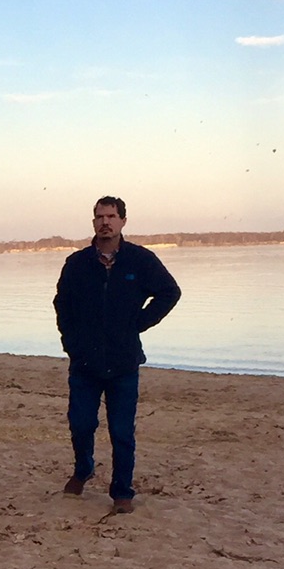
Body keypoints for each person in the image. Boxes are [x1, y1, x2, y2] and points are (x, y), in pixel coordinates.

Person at [53, 196, 180, 514]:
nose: (105, 222)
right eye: (99, 217)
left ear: (123, 221)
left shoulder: (140, 260)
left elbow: (169, 292)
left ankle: (122, 490)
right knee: (81, 425)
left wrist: (138, 324)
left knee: (122, 431)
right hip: (84, 363)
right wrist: (71, 342)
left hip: (123, 362)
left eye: (111, 216)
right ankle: (83, 469)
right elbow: (62, 304)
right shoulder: (77, 263)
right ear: (93, 222)